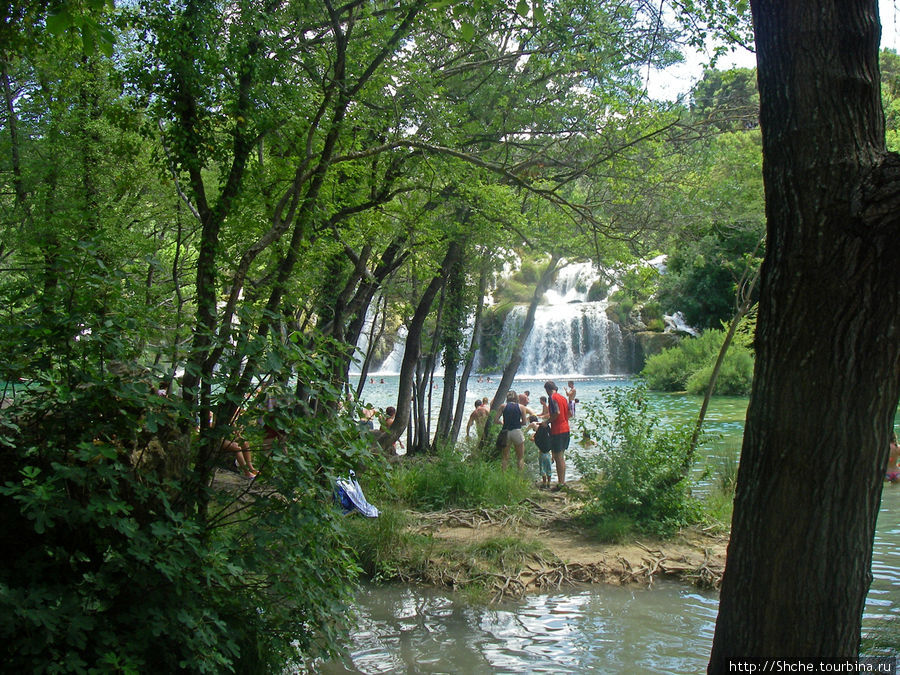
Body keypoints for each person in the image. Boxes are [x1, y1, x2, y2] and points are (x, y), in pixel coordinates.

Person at [543, 380, 570, 490]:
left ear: (547, 389)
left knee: (558, 457)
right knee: (561, 457)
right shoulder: (563, 398)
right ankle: (562, 481)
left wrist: (547, 422)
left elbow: (556, 413)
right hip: (566, 429)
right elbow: (569, 413)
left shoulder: (552, 398)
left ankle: (561, 483)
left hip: (558, 430)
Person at [496, 390, 527, 471]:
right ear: (516, 398)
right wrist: (517, 422)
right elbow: (524, 422)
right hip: (516, 431)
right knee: (520, 457)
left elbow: (495, 420)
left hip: (506, 432)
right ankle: (520, 478)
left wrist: (502, 423)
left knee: (505, 457)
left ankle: (504, 475)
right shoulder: (522, 407)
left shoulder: (503, 406)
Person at [527, 415, 552, 488]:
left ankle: (544, 483)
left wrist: (528, 436)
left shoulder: (533, 424)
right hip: (548, 454)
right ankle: (549, 483)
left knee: (543, 469)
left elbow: (527, 430)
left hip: (541, 454)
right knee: (549, 469)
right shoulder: (548, 438)